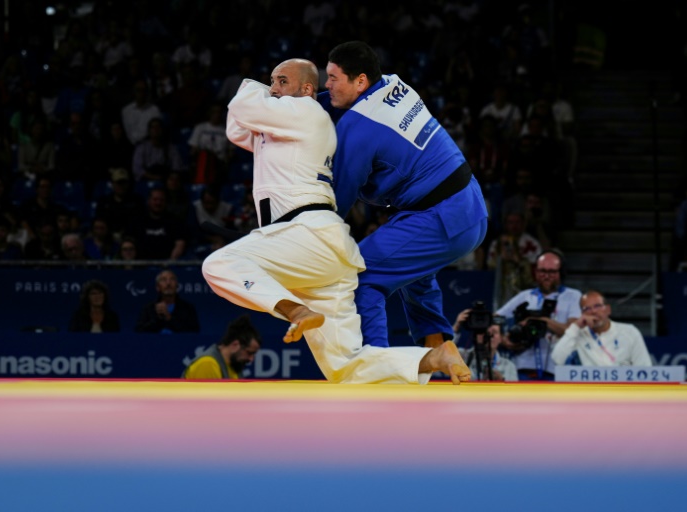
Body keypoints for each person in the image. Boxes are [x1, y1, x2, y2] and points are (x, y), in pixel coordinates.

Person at [202, 58, 471, 385]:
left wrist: (256, 87)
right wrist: (269, 92)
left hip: (304, 233)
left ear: (306, 90)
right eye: (270, 82)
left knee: (219, 264)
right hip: (319, 254)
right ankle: (434, 357)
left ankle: (295, 310)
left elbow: (243, 104)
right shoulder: (280, 129)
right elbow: (236, 126)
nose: (273, 89)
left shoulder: (306, 112)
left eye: (281, 81)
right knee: (346, 368)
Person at [322, 41, 488, 349]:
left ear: (360, 81)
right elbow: (335, 102)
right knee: (413, 273)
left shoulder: (356, 128)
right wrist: (299, 99)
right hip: (468, 204)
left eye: (333, 78)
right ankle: (437, 350)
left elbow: (338, 201)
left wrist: (305, 233)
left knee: (362, 274)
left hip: (442, 218)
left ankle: (376, 367)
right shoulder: (394, 83)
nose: (326, 85)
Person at [496, 249, 582, 380]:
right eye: (542, 271)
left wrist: (538, 321)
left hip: (558, 369)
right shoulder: (525, 296)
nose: (546, 276)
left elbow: (572, 330)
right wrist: (503, 339)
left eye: (552, 272)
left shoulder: (573, 296)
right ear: (535, 272)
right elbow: (495, 318)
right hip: (522, 367)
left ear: (561, 273)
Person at [551, 290, 653, 367]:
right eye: (587, 309)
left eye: (597, 306)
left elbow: (644, 367)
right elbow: (557, 358)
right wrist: (576, 326)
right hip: (591, 392)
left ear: (608, 310)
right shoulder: (578, 334)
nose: (593, 312)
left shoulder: (629, 332)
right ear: (582, 314)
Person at [182, 314, 262, 379]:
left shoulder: (235, 367)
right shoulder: (208, 364)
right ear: (235, 345)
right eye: (249, 353)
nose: (251, 359)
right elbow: (205, 399)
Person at [452, 308, 517, 381]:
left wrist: (501, 380)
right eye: (485, 332)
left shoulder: (508, 366)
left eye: (494, 332)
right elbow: (441, 353)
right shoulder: (462, 357)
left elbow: (515, 392)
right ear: (476, 335)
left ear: (501, 338)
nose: (489, 336)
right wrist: (456, 326)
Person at [135, 269, 200, 333]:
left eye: (172, 279)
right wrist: (158, 319)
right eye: (164, 280)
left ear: (177, 286)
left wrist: (169, 318)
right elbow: (139, 332)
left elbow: (193, 332)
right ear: (158, 287)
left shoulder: (187, 308)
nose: (168, 283)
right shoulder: (149, 308)